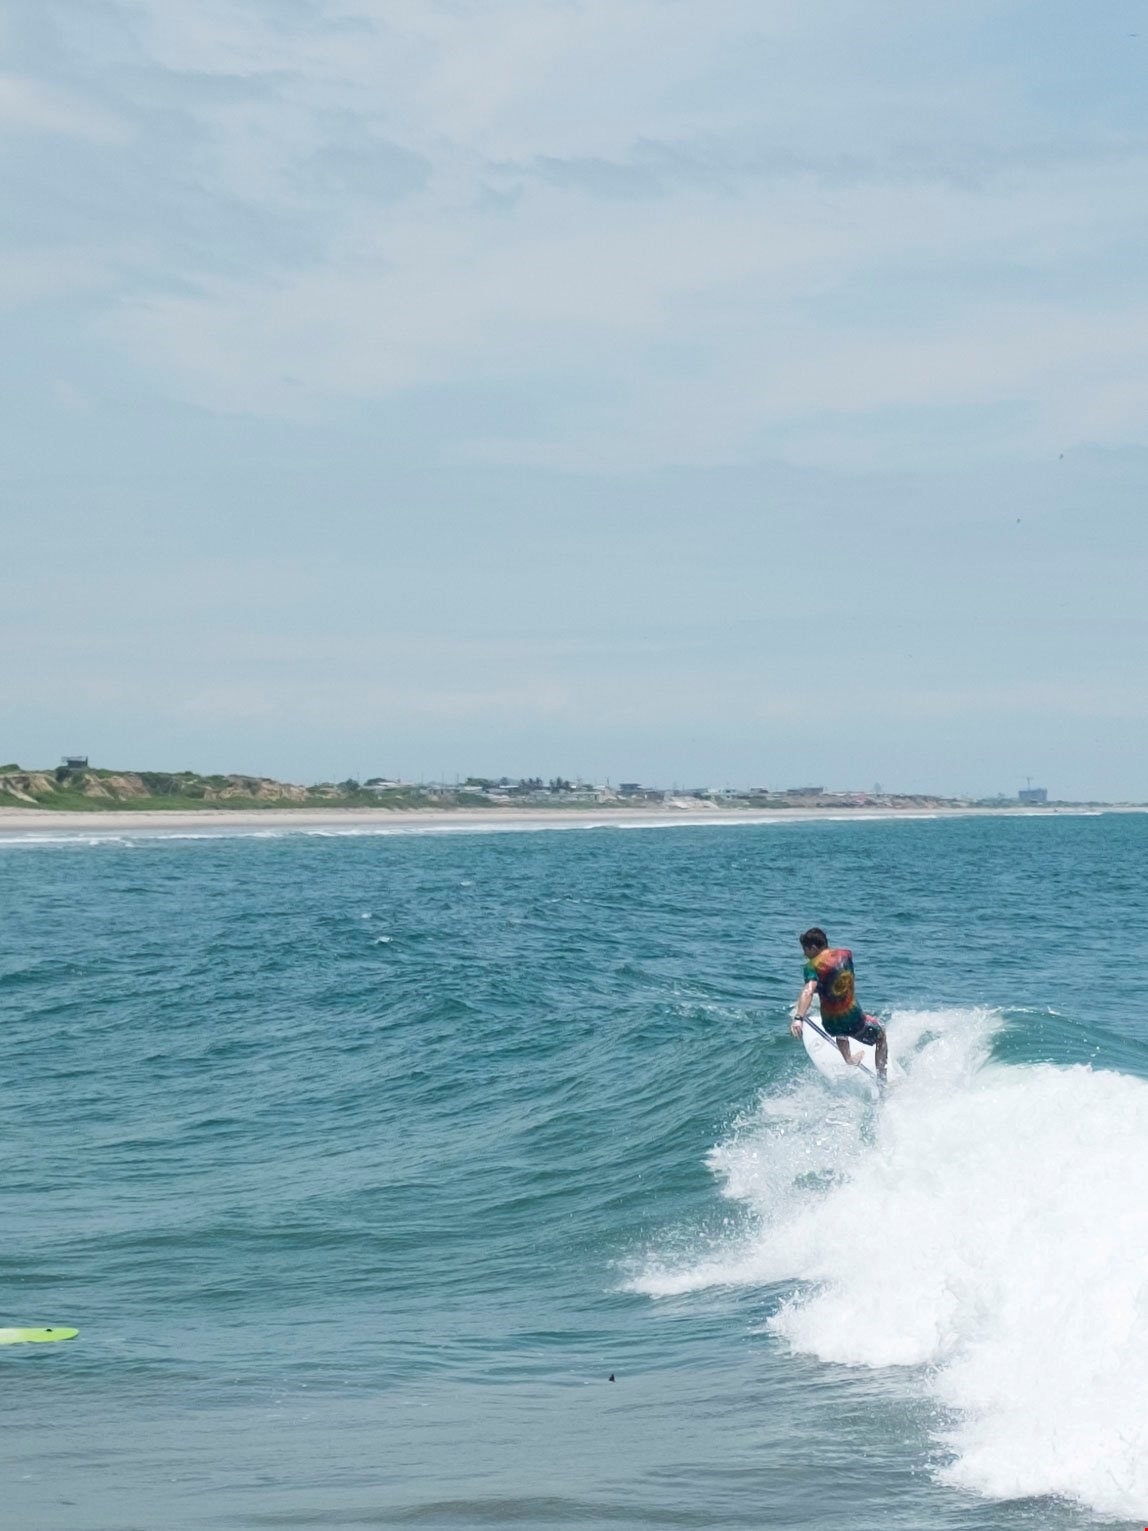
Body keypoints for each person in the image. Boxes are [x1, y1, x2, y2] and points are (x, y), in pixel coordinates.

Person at [789, 926, 888, 1080]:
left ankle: (849, 1059)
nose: (804, 954)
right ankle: (882, 1080)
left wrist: (798, 1018)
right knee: (881, 1035)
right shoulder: (846, 955)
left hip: (831, 1023)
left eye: (806, 950)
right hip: (854, 1018)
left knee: (841, 1032)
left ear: (814, 948)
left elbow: (809, 990)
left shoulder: (811, 966)